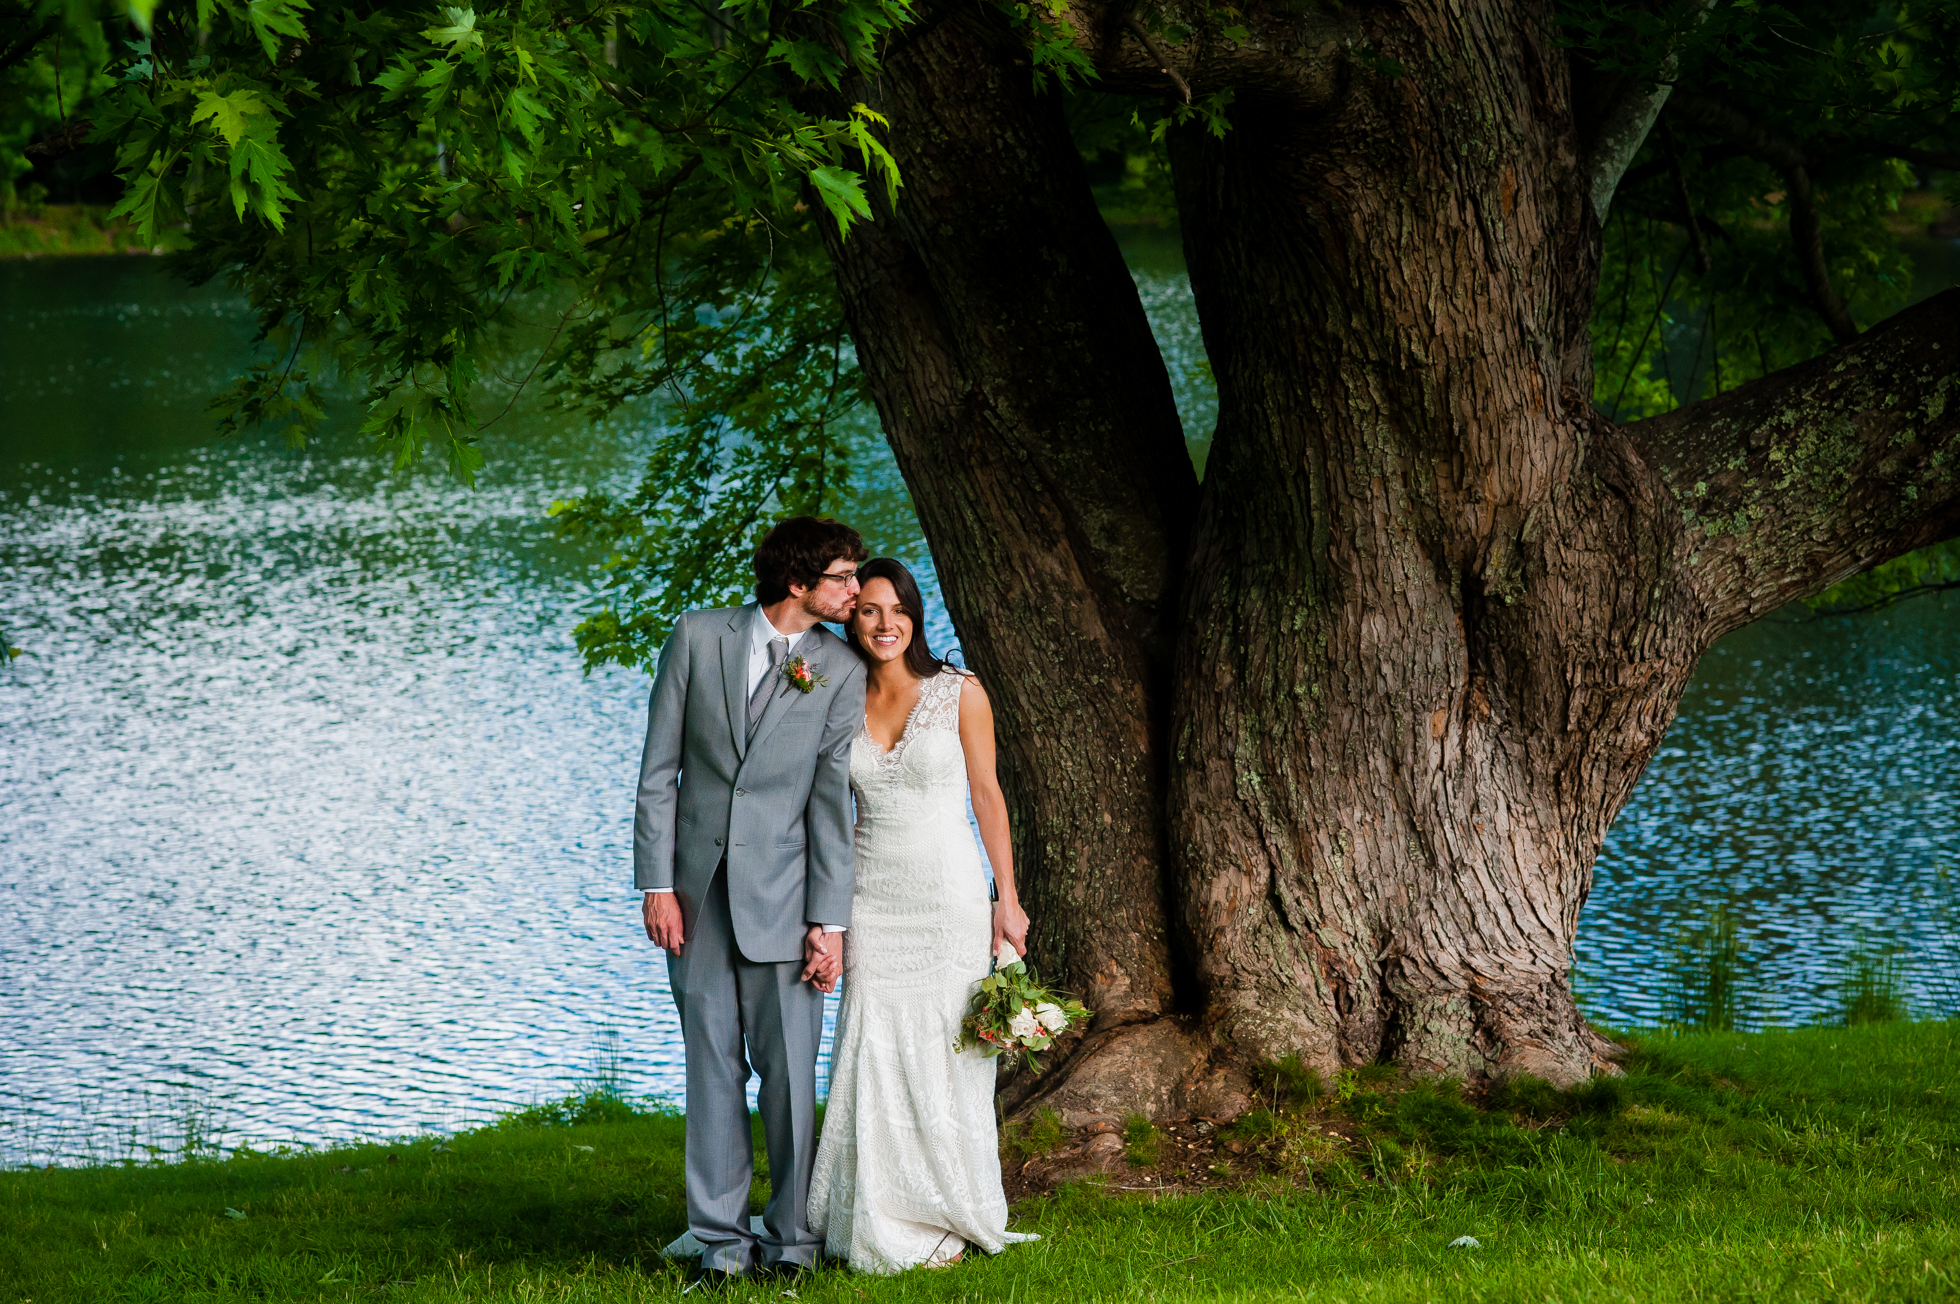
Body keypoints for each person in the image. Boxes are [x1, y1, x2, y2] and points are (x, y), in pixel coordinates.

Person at [635, 517, 868, 1286]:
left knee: (792, 1079)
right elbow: (657, 772)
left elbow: (832, 804)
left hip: (788, 901)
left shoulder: (839, 668)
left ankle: (792, 1241)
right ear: (798, 583)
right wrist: (658, 886)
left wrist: (826, 923)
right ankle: (721, 1245)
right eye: (842, 577)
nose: (856, 590)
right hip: (696, 904)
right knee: (710, 1070)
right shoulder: (699, 639)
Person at [807, 557, 1034, 1273]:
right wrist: (825, 915)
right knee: (873, 1044)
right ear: (850, 617)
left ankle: (951, 1206)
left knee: (949, 1050)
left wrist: (1009, 898)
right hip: (871, 896)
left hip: (949, 896)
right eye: (868, 610)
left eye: (896, 608)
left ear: (914, 614)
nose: (884, 624)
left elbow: (988, 797)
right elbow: (825, 815)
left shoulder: (959, 692)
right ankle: (874, 1207)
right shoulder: (834, 698)